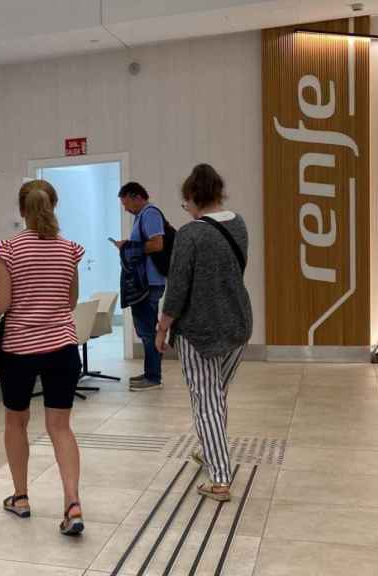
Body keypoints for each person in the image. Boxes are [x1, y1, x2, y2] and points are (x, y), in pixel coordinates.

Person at [0, 180, 86, 536]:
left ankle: (21, 497)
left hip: (19, 351)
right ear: (54, 205)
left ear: (21, 210)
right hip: (62, 347)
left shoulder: (7, 249)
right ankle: (73, 504)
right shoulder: (69, 250)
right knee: (60, 427)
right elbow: (71, 302)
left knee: (16, 422)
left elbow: (1, 305)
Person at [156, 164, 251, 502]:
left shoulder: (190, 234)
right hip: (238, 325)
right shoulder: (238, 223)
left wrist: (162, 327)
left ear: (194, 197)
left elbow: (177, 289)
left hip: (199, 331)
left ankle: (220, 478)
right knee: (215, 395)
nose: (187, 209)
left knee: (206, 400)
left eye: (186, 203)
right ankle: (212, 452)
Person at [113, 182, 166, 391]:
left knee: (148, 331)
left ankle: (153, 378)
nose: (125, 209)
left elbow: (157, 244)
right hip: (145, 282)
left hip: (149, 283)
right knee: (145, 330)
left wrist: (128, 246)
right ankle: (150, 372)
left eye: (126, 203)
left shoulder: (150, 213)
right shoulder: (140, 216)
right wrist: (128, 244)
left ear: (136, 197)